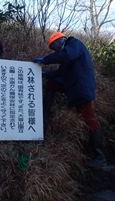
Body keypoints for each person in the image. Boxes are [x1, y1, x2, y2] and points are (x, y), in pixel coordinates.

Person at [33, 32, 107, 168]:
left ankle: (100, 156)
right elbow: (61, 73)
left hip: (82, 88)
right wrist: (44, 73)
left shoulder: (74, 44)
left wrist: (46, 59)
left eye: (55, 48)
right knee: (51, 84)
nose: (56, 51)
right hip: (76, 88)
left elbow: (66, 55)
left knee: (88, 117)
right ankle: (43, 119)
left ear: (59, 42)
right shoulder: (68, 52)